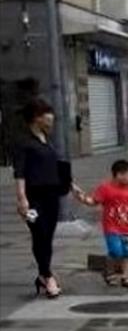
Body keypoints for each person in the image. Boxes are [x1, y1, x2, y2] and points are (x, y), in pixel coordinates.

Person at [13, 98, 78, 298]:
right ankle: (48, 276)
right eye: (47, 114)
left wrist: (71, 185)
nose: (51, 118)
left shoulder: (46, 139)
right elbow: (19, 172)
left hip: (52, 197)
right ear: (36, 118)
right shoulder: (24, 143)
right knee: (38, 233)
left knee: (47, 236)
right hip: (33, 198)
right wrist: (22, 199)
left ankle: (43, 274)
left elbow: (54, 167)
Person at [78, 159, 128, 288]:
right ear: (119, 175)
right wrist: (82, 198)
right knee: (116, 251)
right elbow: (94, 201)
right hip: (112, 227)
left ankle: (125, 277)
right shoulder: (105, 188)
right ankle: (109, 272)